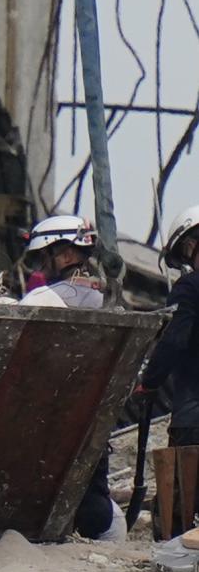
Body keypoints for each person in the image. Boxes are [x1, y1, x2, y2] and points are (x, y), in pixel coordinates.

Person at [19, 214, 127, 542]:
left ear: (65, 255)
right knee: (106, 516)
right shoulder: (107, 301)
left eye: (44, 256)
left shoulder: (44, 300)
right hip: (91, 424)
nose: (41, 266)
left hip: (47, 423)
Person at [141, 203, 199, 447]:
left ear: (190, 246)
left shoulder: (190, 287)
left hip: (194, 419)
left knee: (185, 486)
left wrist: (150, 381)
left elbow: (174, 340)